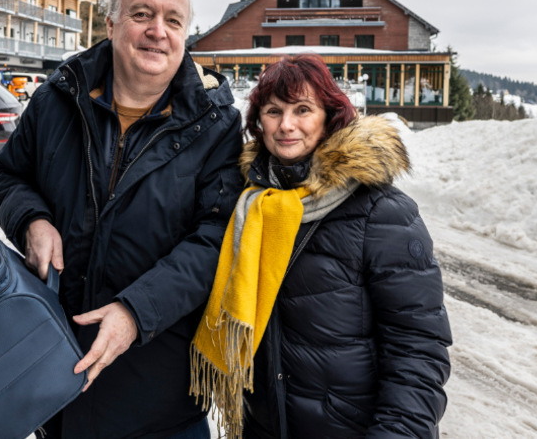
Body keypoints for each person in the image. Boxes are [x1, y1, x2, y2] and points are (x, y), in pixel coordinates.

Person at [0, 0, 245, 438]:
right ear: (109, 25)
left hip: (157, 392)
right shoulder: (56, 99)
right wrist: (32, 220)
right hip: (54, 371)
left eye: (173, 21)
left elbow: (217, 238)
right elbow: (9, 176)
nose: (157, 31)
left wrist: (136, 312)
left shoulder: (216, 125)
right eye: (142, 14)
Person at [190, 54, 452, 439]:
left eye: (302, 110)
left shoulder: (380, 211)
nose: (287, 125)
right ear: (258, 123)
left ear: (330, 116)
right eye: (273, 111)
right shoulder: (251, 207)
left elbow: (418, 352)